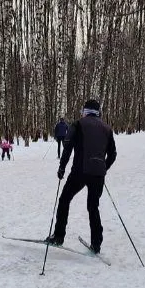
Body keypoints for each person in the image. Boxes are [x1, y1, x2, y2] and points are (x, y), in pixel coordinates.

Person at [46, 99, 116, 252]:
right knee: (93, 207)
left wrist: (62, 168)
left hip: (80, 171)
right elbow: (113, 154)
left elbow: (67, 147)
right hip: (98, 174)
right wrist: (103, 168)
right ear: (98, 112)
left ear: (85, 111)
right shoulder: (107, 128)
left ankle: (58, 236)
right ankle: (96, 244)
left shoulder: (78, 124)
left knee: (64, 199)